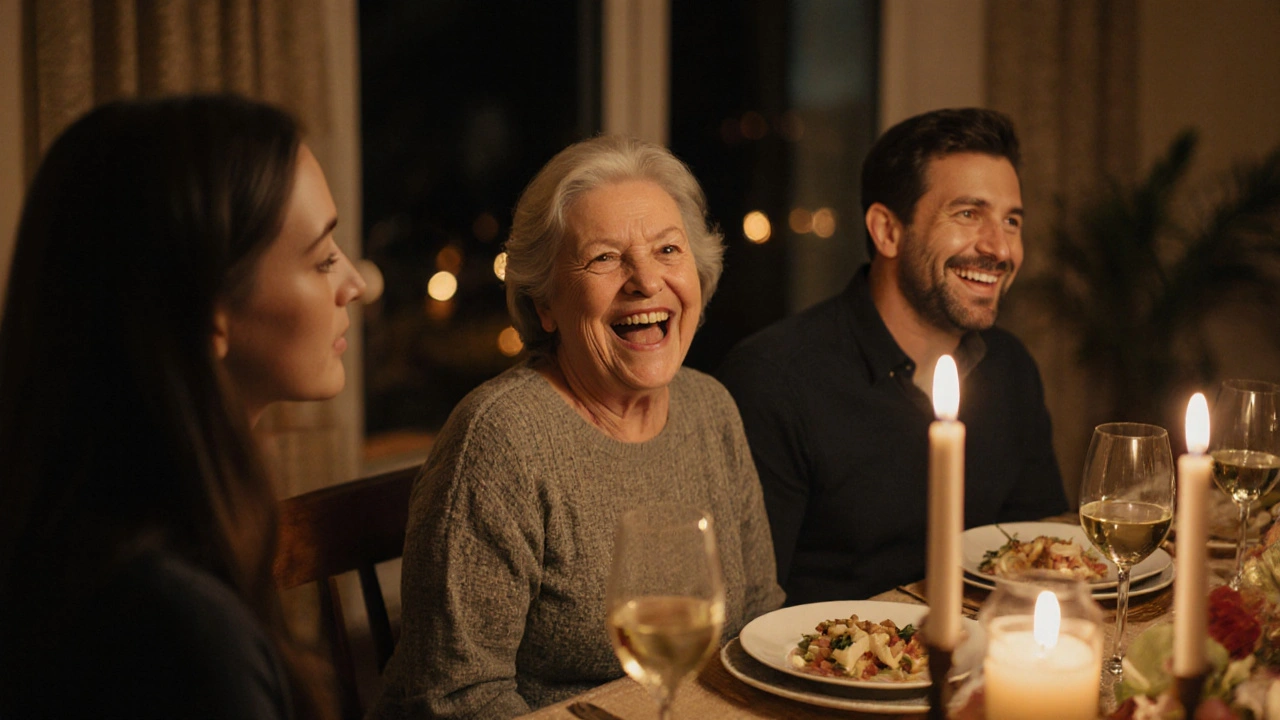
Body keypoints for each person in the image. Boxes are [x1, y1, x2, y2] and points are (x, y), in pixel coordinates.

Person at [371, 135, 784, 719]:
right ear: (545, 303)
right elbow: (458, 699)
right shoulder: (500, 441)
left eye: (668, 249)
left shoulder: (710, 408)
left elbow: (756, 623)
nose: (646, 280)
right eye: (605, 258)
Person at [0, 95, 366, 718]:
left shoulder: (87, 534)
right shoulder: (177, 631)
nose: (354, 283)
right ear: (209, 312)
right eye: (323, 258)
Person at [717, 108, 1068, 605]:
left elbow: (1042, 556)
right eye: (968, 214)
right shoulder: (773, 380)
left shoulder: (1010, 368)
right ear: (887, 231)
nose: (1001, 248)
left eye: (1011, 221)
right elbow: (741, 611)